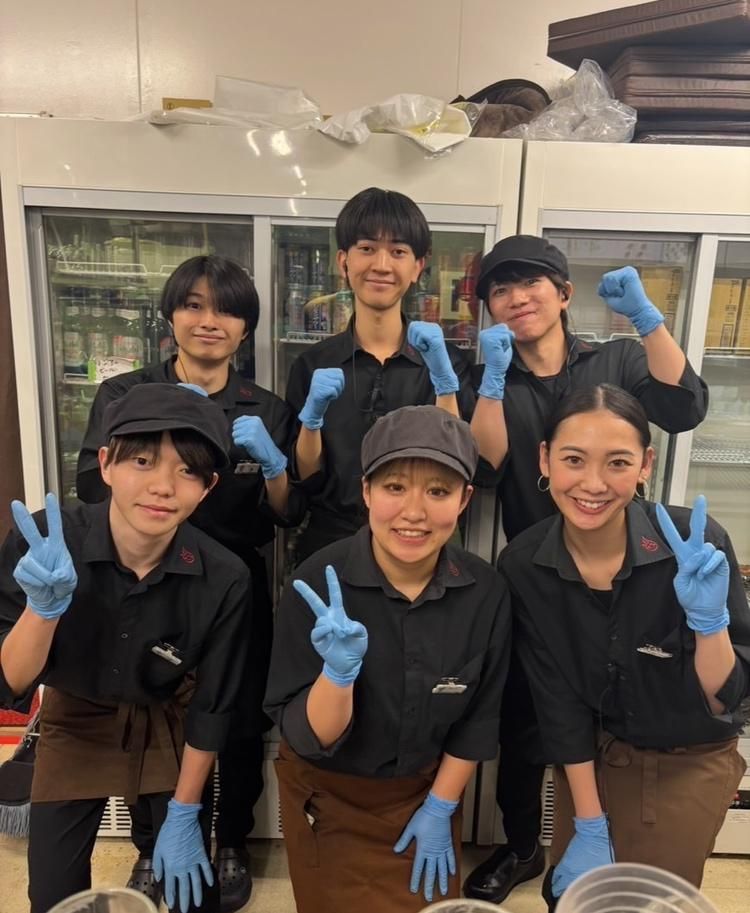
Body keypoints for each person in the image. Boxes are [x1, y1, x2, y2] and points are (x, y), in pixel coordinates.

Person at [464, 234, 709, 904]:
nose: (518, 299)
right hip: (536, 569)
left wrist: (648, 320)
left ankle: (605, 832)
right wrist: (491, 383)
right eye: (501, 290)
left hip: (625, 565)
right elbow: (484, 468)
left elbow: (684, 407)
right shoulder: (489, 372)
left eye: (532, 283)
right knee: (526, 714)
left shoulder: (617, 359)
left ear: (565, 294)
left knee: (615, 701)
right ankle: (522, 844)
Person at [76, 255, 302, 912]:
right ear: (170, 317)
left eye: (227, 310)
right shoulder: (124, 395)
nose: (209, 321)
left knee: (237, 716)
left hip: (235, 586)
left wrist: (275, 466)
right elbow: (90, 486)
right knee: (149, 712)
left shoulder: (266, 408)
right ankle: (154, 843)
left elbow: (288, 512)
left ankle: (230, 840)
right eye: (194, 305)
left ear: (245, 328)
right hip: (145, 582)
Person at [0, 383, 252, 913]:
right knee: (53, 896)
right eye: (142, 461)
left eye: (187, 471)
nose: (163, 486)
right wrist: (42, 611)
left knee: (194, 896)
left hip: (168, 719)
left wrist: (185, 813)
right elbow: (12, 681)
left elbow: (212, 707)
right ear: (106, 464)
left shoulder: (224, 576)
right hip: (74, 719)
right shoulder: (47, 542)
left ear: (207, 487)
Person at [497, 384, 750, 910]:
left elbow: (724, 699)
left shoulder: (694, 542)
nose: (593, 484)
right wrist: (590, 823)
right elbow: (556, 699)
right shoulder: (525, 563)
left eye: (617, 462)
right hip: (591, 757)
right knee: (574, 899)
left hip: (688, 760)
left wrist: (709, 625)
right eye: (573, 459)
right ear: (545, 459)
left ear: (645, 465)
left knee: (649, 903)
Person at [264, 405, 511, 913]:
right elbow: (309, 738)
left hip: (428, 791)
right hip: (327, 798)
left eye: (438, 491)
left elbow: (478, 719)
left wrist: (441, 806)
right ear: (366, 491)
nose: (414, 512)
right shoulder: (316, 584)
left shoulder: (485, 592)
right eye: (395, 487)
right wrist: (337, 676)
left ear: (465, 499)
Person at [285, 186, 486, 563]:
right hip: (330, 543)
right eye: (366, 248)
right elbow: (306, 477)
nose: (381, 265)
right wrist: (311, 421)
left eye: (398, 251)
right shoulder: (312, 364)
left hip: (419, 540)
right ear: (343, 261)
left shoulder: (446, 362)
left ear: (418, 267)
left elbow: (457, 462)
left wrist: (445, 386)